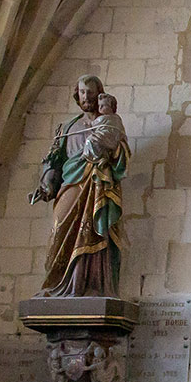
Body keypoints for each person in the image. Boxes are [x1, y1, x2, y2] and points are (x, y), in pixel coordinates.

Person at [31, 76, 129, 298]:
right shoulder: (68, 127)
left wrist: (108, 154)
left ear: (100, 95)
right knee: (60, 229)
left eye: (91, 92)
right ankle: (55, 285)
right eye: (83, 92)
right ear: (77, 95)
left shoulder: (110, 122)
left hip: (98, 185)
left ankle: (92, 286)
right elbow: (54, 159)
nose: (87, 97)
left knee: (96, 232)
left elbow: (121, 155)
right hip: (71, 184)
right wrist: (47, 180)